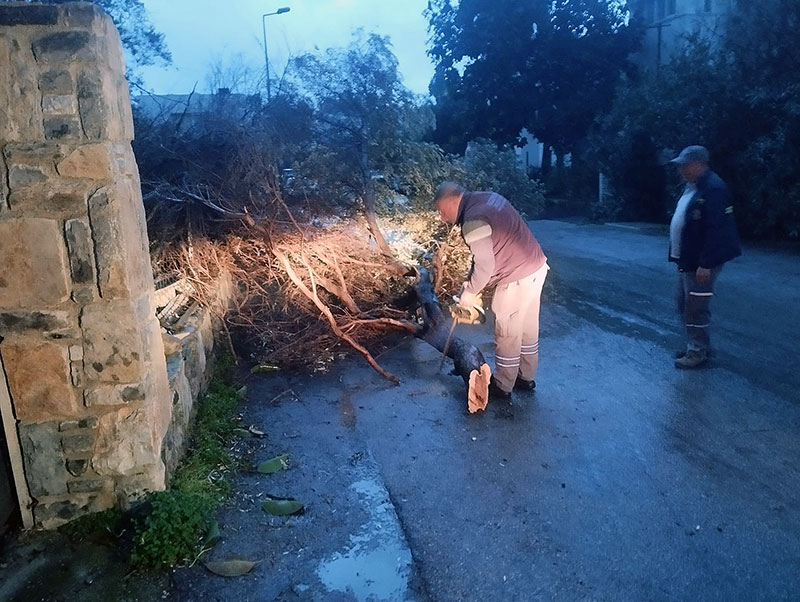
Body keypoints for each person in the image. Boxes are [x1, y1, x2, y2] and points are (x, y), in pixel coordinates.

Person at [435, 182, 548, 400]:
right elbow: (484, 256)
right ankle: (526, 377)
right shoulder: (486, 197)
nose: (443, 217)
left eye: (442, 211)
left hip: (516, 277)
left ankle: (503, 385)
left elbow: (485, 267)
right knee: (527, 327)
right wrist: (470, 283)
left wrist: (469, 294)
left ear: (452, 201)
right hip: (536, 267)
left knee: (507, 332)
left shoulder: (473, 220)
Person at [668, 146, 741, 369]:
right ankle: (697, 345)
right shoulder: (693, 187)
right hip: (688, 259)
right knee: (684, 303)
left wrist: (706, 263)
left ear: (700, 163)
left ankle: (697, 352)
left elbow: (718, 229)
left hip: (701, 262)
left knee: (695, 306)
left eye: (685, 165)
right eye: (680, 165)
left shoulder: (714, 188)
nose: (681, 169)